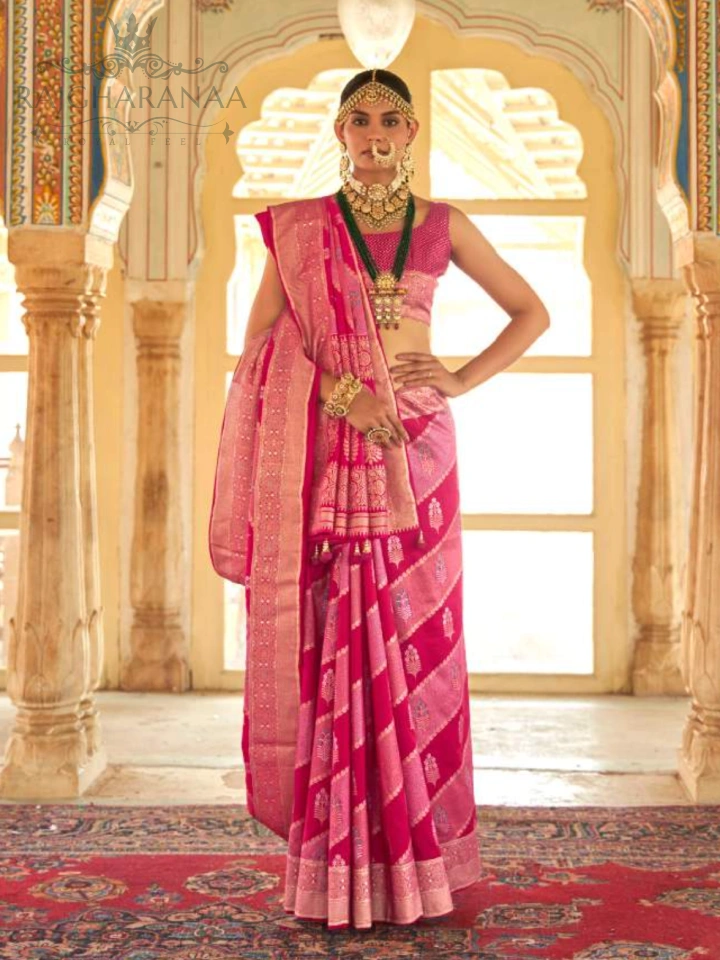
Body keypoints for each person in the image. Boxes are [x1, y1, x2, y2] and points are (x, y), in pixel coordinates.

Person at [209, 68, 550, 930]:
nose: (373, 135)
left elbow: (530, 311)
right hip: (335, 447)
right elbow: (259, 350)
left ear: (411, 132)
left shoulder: (442, 225)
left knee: (418, 641)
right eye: (358, 120)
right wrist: (345, 397)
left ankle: (417, 860)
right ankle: (338, 868)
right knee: (339, 642)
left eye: (388, 120)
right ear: (340, 132)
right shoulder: (301, 230)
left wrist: (461, 377)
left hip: (419, 447)